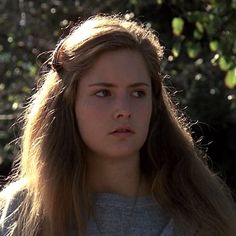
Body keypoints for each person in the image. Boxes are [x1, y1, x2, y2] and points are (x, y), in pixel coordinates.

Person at [0, 14, 235, 236]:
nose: (124, 109)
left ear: (154, 104)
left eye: (138, 93)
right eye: (103, 93)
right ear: (68, 103)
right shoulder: (29, 210)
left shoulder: (202, 212)